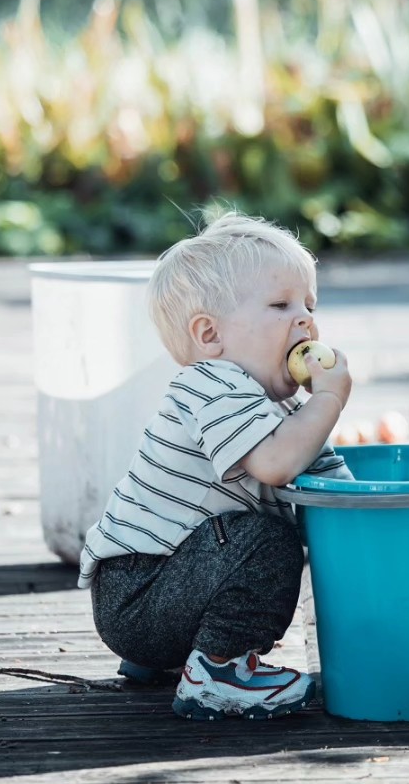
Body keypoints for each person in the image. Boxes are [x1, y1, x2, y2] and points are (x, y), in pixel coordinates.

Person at [77, 212, 352, 720]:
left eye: (309, 306)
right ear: (209, 335)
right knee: (268, 541)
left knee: (264, 535)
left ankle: (173, 655)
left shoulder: (287, 412)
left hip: (165, 592)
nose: (305, 321)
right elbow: (275, 464)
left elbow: (335, 494)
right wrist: (329, 400)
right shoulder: (211, 383)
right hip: (138, 593)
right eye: (280, 305)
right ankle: (217, 673)